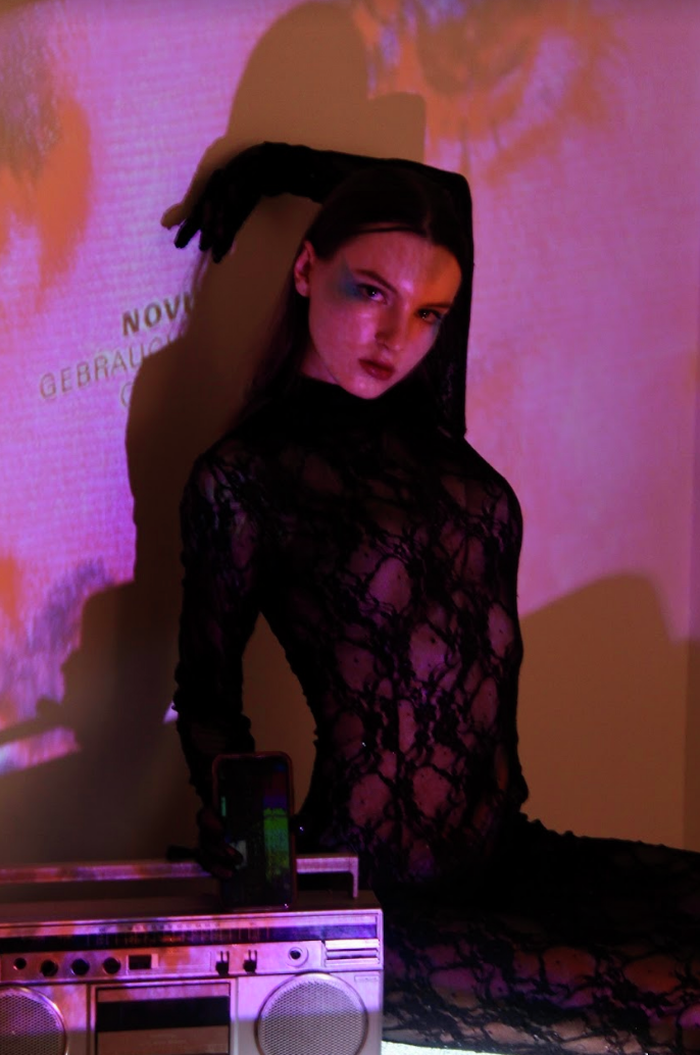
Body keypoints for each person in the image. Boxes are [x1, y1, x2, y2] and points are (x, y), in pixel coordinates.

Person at [168, 144, 700, 1053]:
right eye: (369, 290)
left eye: (429, 314)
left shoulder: (429, 414)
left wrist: (278, 165)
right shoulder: (243, 476)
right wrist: (253, 854)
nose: (396, 336)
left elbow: (445, 196)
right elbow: (207, 696)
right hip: (381, 894)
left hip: (513, 857)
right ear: (306, 268)